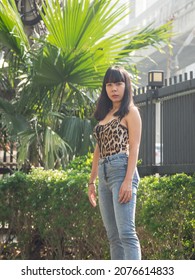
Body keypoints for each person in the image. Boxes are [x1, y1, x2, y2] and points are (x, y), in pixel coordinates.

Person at [88, 65, 142, 260]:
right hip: (103, 175)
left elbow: (134, 147)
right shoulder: (105, 114)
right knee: (113, 237)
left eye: (118, 83)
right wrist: (92, 181)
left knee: (126, 234)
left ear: (126, 86)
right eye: (109, 84)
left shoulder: (130, 111)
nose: (114, 89)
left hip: (121, 170)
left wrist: (128, 180)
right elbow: (98, 149)